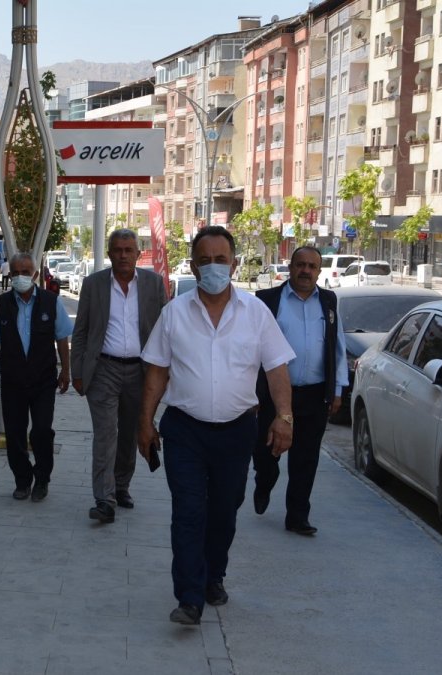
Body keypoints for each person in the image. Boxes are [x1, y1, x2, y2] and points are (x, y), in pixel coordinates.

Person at [136, 226, 295, 626]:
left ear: (234, 264)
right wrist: (145, 421)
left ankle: (213, 575)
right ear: (193, 265)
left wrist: (284, 416)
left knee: (225, 511)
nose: (212, 267)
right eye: (204, 260)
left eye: (220, 259)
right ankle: (189, 597)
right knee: (188, 511)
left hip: (237, 431)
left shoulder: (256, 313)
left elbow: (276, 368)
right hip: (184, 431)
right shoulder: (174, 313)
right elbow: (156, 373)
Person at [70, 229, 167, 523]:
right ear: (110, 253)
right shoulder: (94, 284)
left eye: (128, 250)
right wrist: (77, 371)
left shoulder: (153, 284)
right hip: (104, 369)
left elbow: (165, 330)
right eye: (117, 250)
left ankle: (122, 485)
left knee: (130, 433)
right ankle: (104, 498)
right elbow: (82, 330)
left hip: (141, 371)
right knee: (105, 434)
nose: (123, 255)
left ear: (139, 254)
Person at [252, 246, 347, 536]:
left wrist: (338, 389)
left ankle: (297, 516)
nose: (306, 271)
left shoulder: (328, 302)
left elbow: (338, 348)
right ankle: (265, 480)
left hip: (314, 394)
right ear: (290, 267)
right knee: (266, 452)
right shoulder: (268, 300)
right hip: (273, 393)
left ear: (319, 271)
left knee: (306, 458)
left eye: (312, 266)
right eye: (301, 265)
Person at [0, 253, 73, 502]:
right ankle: (22, 480)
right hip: (12, 380)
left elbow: (62, 338)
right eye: (15, 272)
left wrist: (66, 369)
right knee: (15, 434)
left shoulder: (51, 302)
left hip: (43, 379)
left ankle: (42, 478)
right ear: (9, 275)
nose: (21, 276)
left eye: (26, 271)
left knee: (42, 431)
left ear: (35, 274)